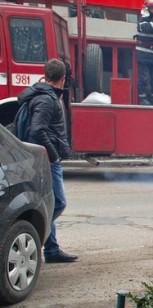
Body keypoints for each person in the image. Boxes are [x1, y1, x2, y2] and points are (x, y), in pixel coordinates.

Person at [18, 59, 78, 263]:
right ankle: (35, 236)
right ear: (62, 79)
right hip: (48, 161)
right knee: (58, 203)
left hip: (46, 158)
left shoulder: (45, 95)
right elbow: (37, 130)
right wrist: (53, 154)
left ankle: (52, 250)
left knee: (49, 202)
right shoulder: (46, 100)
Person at [135, 0, 153, 105]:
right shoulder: (142, 20)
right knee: (144, 77)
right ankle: (142, 99)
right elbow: (150, 28)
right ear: (147, 9)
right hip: (144, 54)